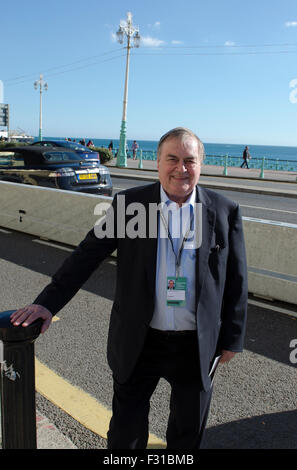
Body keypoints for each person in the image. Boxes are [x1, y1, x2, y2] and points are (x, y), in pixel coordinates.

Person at [10, 127, 248, 450]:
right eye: (172, 159)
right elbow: (86, 257)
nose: (181, 168)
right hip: (140, 340)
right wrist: (47, 304)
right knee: (125, 437)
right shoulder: (129, 205)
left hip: (197, 346)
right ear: (157, 162)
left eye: (190, 161)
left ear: (201, 164)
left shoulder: (224, 211)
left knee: (187, 437)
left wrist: (232, 337)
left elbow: (236, 279)